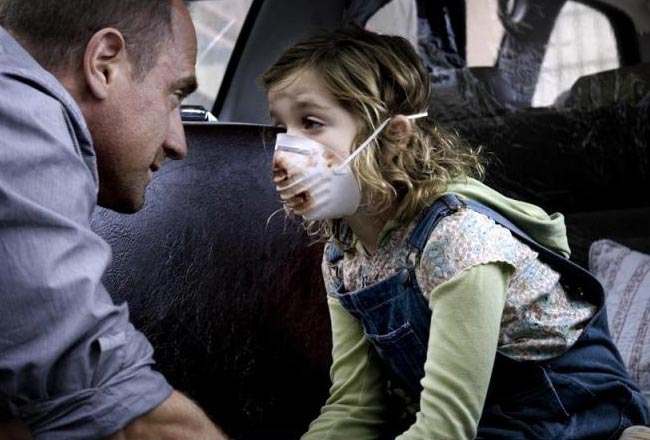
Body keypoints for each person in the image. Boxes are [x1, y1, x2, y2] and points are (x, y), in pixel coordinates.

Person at [263, 27, 650, 439]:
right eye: (281, 127)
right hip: (485, 424)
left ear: (392, 137)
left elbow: (445, 429)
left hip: (571, 414)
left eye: (311, 122)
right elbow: (355, 407)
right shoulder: (343, 258)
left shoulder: (456, 240)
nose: (286, 152)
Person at [0, 1, 228, 439]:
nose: (178, 142)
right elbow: (118, 410)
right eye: (175, 96)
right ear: (105, 65)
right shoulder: (19, 119)